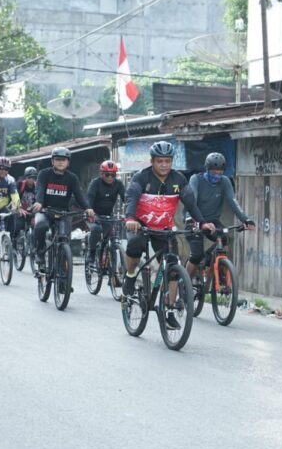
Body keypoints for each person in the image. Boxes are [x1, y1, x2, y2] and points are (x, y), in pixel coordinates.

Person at [122, 140, 214, 330]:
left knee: (172, 266)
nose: (164, 165)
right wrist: (130, 218)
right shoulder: (142, 178)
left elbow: (190, 203)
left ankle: (169, 309)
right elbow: (131, 198)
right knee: (135, 247)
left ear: (172, 161)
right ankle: (130, 276)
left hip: (164, 228)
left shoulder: (179, 180)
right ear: (152, 161)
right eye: (159, 161)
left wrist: (202, 222)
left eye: (167, 161)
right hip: (141, 226)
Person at [184, 152, 255, 280]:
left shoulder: (225, 181)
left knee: (224, 240)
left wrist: (246, 219)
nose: (217, 175)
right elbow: (191, 201)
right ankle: (185, 285)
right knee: (196, 256)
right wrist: (192, 219)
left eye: (220, 172)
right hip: (194, 221)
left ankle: (219, 273)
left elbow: (233, 202)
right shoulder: (196, 179)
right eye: (213, 172)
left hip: (213, 221)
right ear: (207, 169)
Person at [30, 147, 94, 271]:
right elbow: (40, 189)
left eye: (63, 160)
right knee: (40, 226)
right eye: (57, 159)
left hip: (63, 213)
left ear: (68, 162)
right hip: (45, 211)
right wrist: (39, 202)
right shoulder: (44, 174)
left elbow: (79, 195)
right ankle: (40, 252)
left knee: (64, 241)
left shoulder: (72, 178)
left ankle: (63, 278)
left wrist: (87, 208)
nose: (60, 162)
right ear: (52, 161)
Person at [86, 160, 126, 263]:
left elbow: (125, 198)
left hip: (108, 215)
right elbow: (89, 198)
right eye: (107, 175)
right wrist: (89, 210)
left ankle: (111, 268)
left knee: (110, 237)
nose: (110, 177)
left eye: (113, 175)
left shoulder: (118, 184)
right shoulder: (95, 183)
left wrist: (130, 212)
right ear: (101, 173)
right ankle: (92, 252)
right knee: (96, 230)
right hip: (94, 215)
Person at [13, 166, 38, 243]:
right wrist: (18, 208)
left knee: (35, 228)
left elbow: (38, 200)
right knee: (18, 226)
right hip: (20, 209)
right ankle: (13, 241)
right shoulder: (20, 184)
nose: (31, 180)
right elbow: (15, 196)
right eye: (29, 177)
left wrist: (35, 215)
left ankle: (32, 246)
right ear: (25, 177)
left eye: (33, 178)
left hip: (31, 211)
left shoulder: (37, 186)